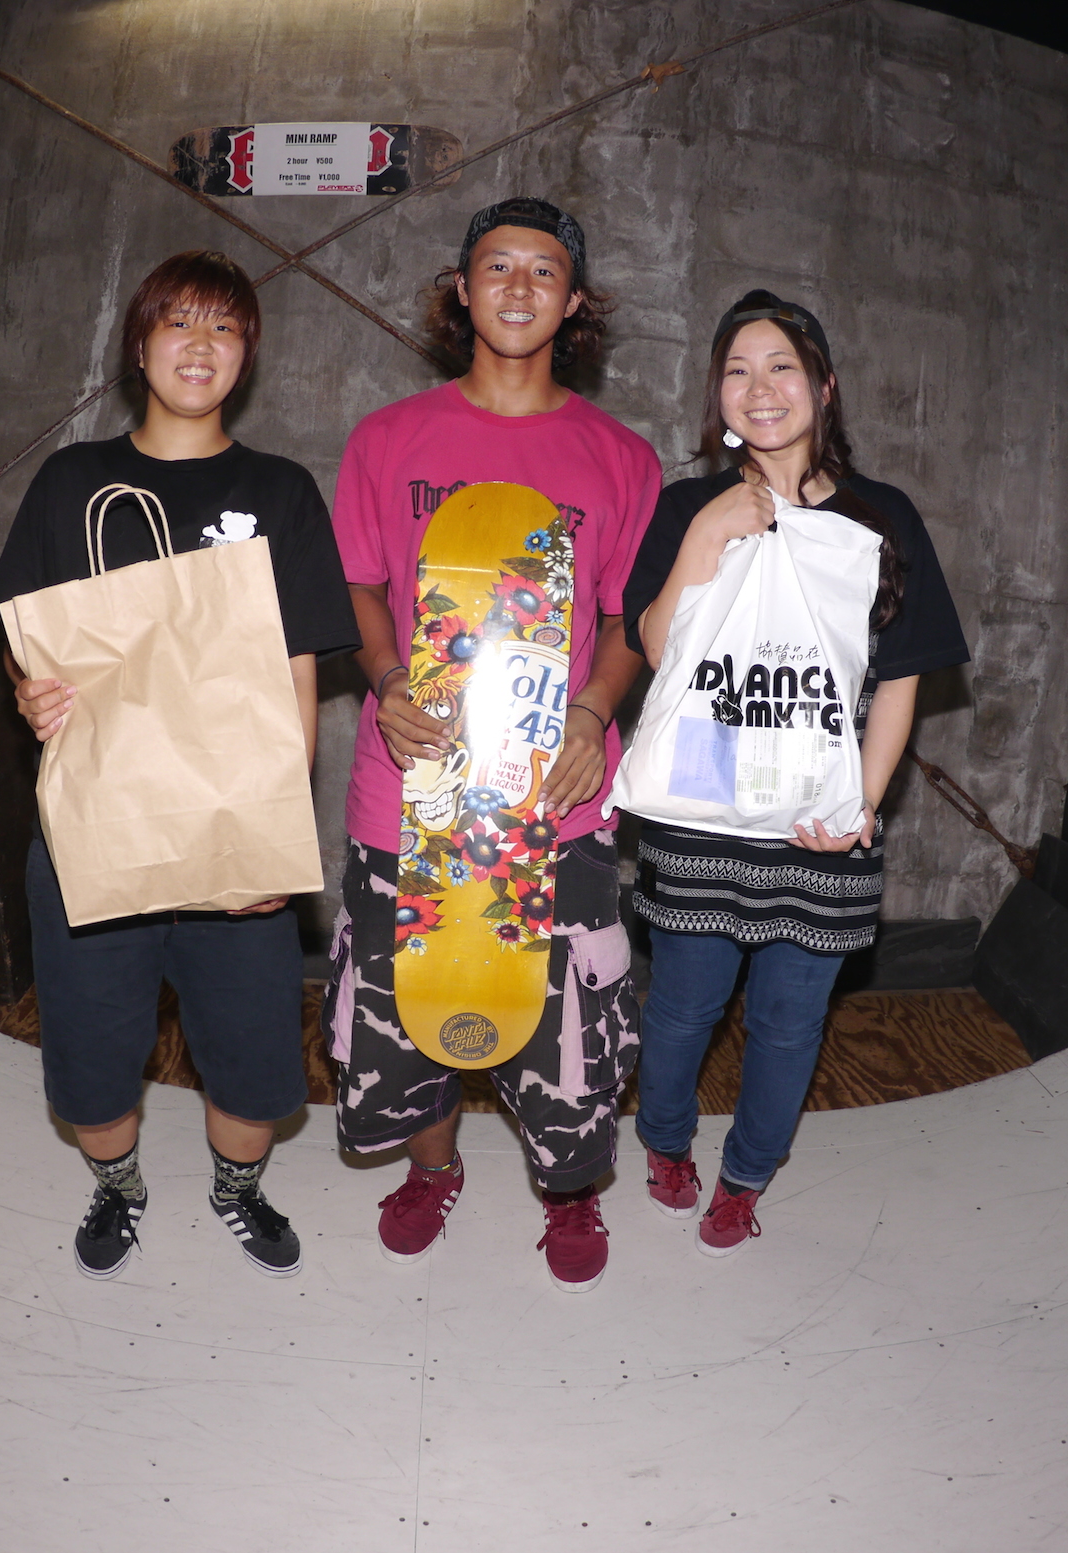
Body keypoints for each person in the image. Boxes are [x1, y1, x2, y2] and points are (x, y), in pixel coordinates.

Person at [0, 250, 358, 1280]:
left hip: (231, 834)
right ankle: (119, 1185)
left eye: (225, 327)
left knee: (255, 1059)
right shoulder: (70, 481)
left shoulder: (278, 492)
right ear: (139, 346)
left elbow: (298, 680)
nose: (201, 344)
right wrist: (28, 686)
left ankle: (238, 1188)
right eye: (179, 321)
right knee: (93, 1058)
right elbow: (22, 634)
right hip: (93, 835)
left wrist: (273, 840)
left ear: (248, 355)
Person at [326, 197, 658, 1292]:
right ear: (462, 291)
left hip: (555, 796)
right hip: (411, 789)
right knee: (407, 1007)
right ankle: (434, 1168)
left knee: (569, 1017)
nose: (519, 287)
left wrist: (592, 712)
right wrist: (386, 678)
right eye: (497, 267)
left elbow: (631, 616)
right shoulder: (387, 439)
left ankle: (571, 1187)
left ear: (575, 300)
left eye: (544, 270)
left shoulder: (620, 457)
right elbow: (359, 583)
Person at [619, 291, 969, 1255]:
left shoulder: (880, 516)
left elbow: (900, 678)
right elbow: (657, 650)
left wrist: (862, 802)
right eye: (737, 370)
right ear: (717, 394)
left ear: (824, 385)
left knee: (788, 1019)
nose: (760, 387)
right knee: (681, 1007)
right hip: (701, 808)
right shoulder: (687, 506)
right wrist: (708, 535)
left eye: (781, 366)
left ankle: (746, 1176)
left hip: (819, 817)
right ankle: (665, 1142)